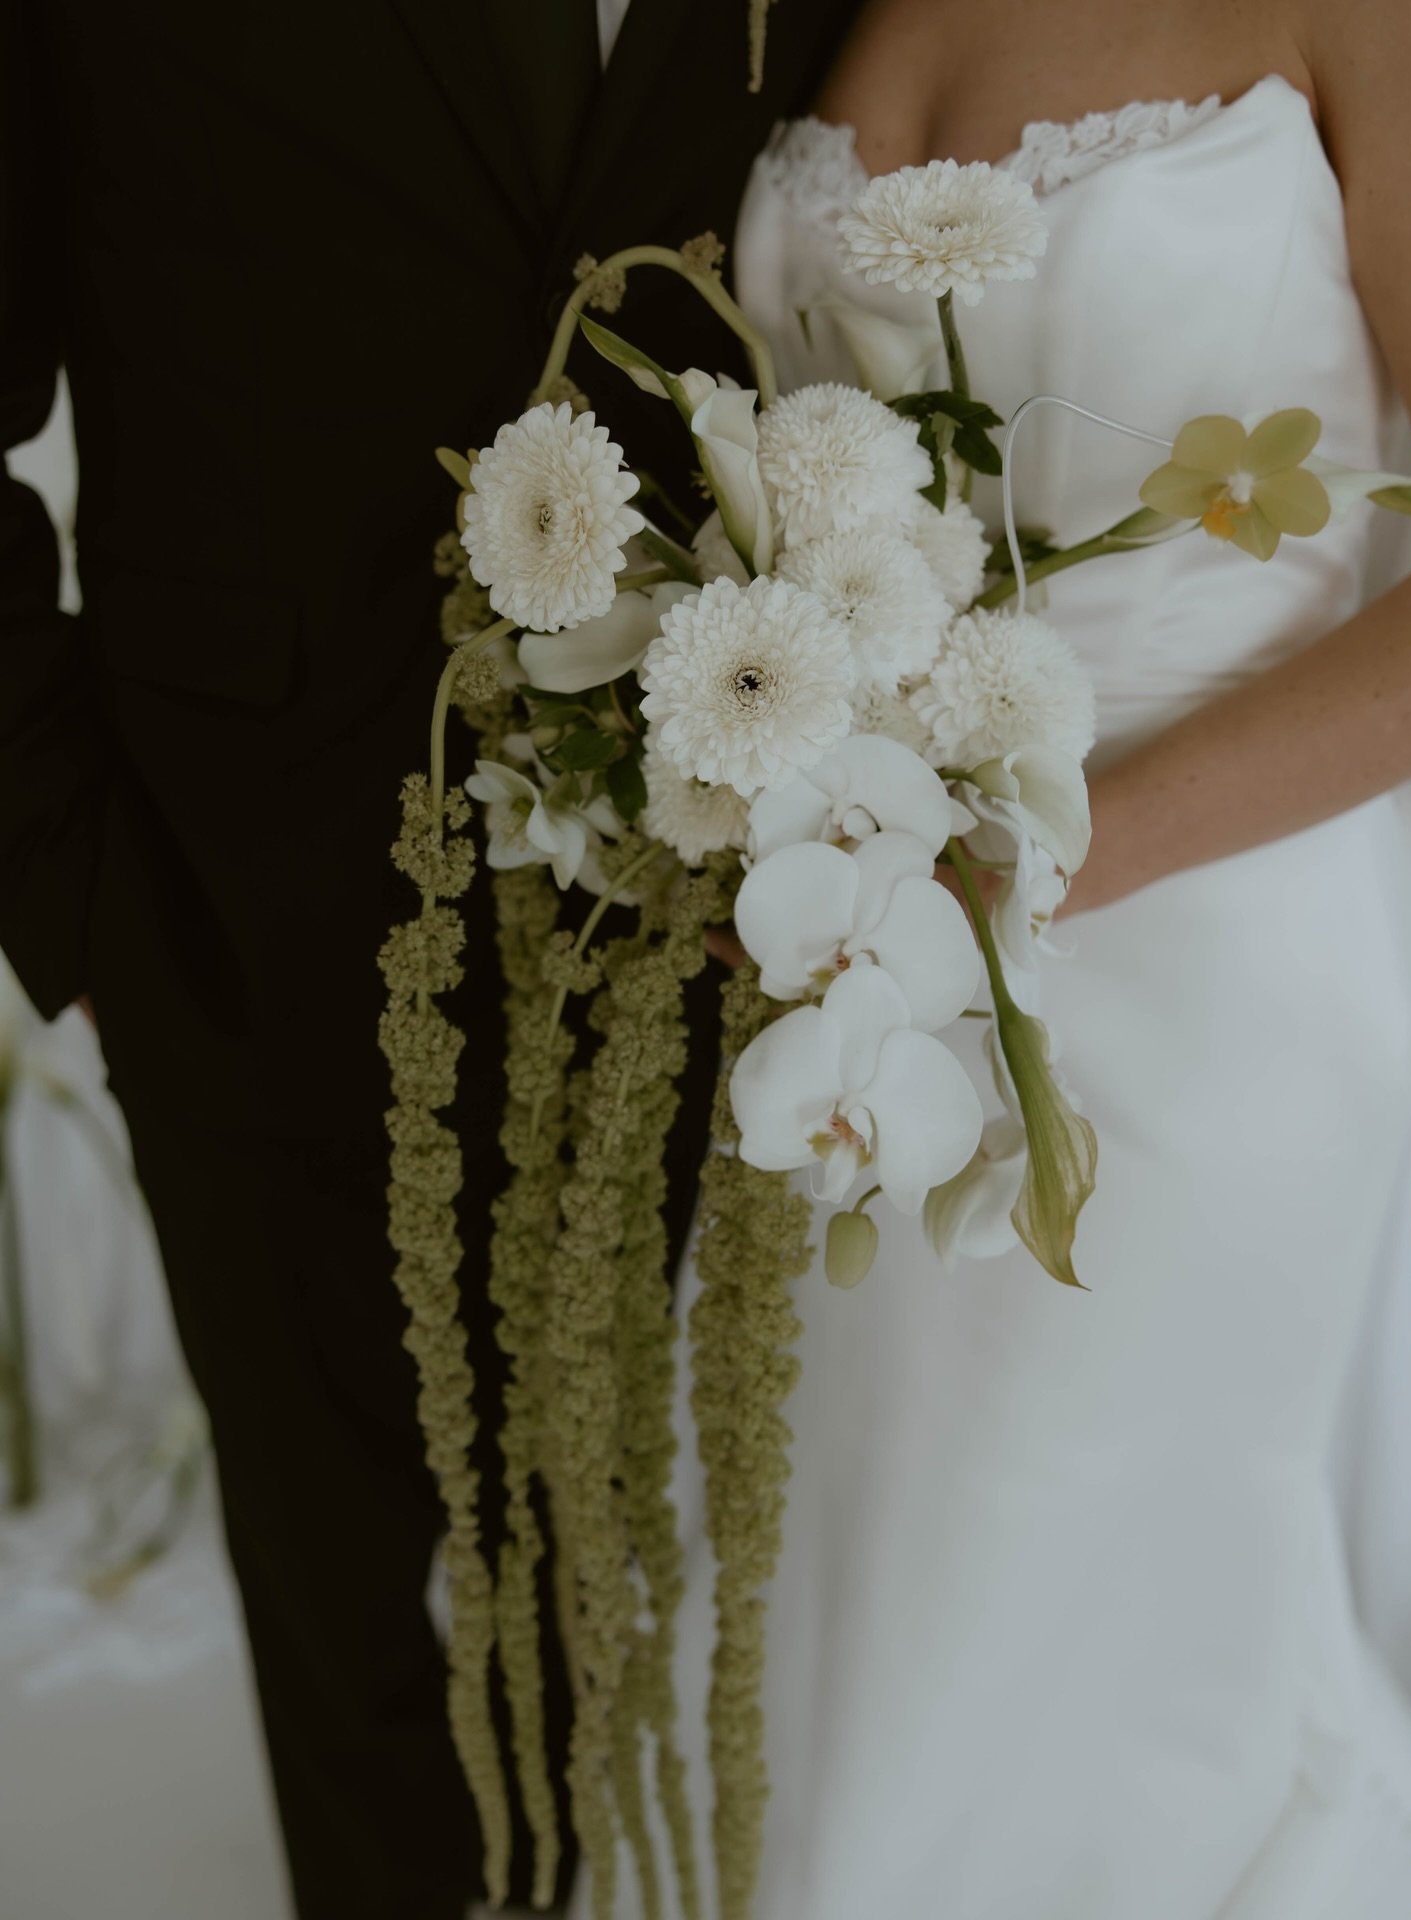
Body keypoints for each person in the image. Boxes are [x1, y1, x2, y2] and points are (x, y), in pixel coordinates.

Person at [579, 0, 1411, 1914]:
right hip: (857, 974)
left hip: (1205, 978)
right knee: (848, 1613)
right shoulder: (787, 13)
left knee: (1080, 1650)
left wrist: (1050, 860)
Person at [0, 3, 861, 1916]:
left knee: (751, 1615)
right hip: (250, 889)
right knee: (372, 1656)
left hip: (767, 891)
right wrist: (68, 882)